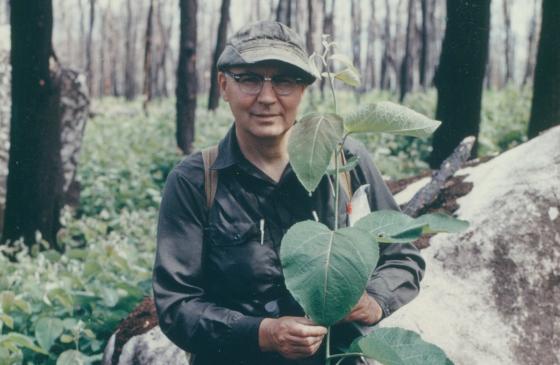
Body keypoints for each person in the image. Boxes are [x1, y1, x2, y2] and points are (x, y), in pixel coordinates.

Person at [153, 20, 425, 365]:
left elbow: (403, 255)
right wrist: (264, 333)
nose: (266, 98)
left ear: (304, 90)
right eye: (249, 79)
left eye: (284, 81)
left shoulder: (344, 161)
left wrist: (372, 302)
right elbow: (177, 305)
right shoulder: (195, 180)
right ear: (224, 85)